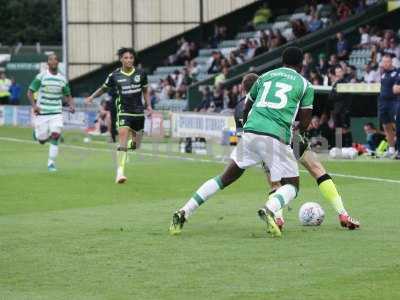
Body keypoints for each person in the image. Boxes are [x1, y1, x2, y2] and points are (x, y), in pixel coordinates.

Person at [170, 47, 314, 237]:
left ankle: (184, 212)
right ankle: (270, 209)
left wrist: (248, 129)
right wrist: (297, 132)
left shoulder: (265, 76)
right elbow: (305, 122)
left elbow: (247, 106)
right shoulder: (305, 85)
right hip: (276, 135)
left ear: (282, 61)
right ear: (301, 63)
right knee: (292, 186)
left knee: (224, 178)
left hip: (251, 131)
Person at [236, 75, 360, 231]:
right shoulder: (274, 89)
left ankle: (279, 219)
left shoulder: (240, 108)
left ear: (243, 89)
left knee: (276, 183)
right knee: (317, 169)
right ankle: (343, 213)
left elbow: (243, 136)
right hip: (290, 136)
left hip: (264, 141)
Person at [86, 47, 152, 183]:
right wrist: (92, 97)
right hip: (124, 111)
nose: (129, 60)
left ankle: (127, 148)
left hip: (138, 113)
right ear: (121, 59)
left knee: (136, 145)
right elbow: (104, 88)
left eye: (131, 58)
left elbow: (145, 90)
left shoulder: (141, 74)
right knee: (122, 137)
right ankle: (120, 172)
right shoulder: (115, 75)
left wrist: (149, 105)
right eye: (126, 58)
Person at [27, 54, 75, 171]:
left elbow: (68, 95)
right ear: (47, 63)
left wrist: (71, 105)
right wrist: (34, 106)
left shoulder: (62, 79)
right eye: (51, 60)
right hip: (42, 113)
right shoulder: (41, 76)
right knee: (42, 139)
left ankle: (51, 163)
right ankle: (38, 135)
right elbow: (30, 92)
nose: (53, 61)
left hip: (56, 113)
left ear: (58, 63)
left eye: (55, 59)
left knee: (55, 135)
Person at [378, 54, 399, 157]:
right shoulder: (382, 73)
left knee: (396, 126)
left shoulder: (397, 73)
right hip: (383, 103)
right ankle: (391, 149)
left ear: (391, 62)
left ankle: (398, 149)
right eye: (383, 62)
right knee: (386, 127)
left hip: (393, 103)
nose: (385, 63)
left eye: (387, 62)